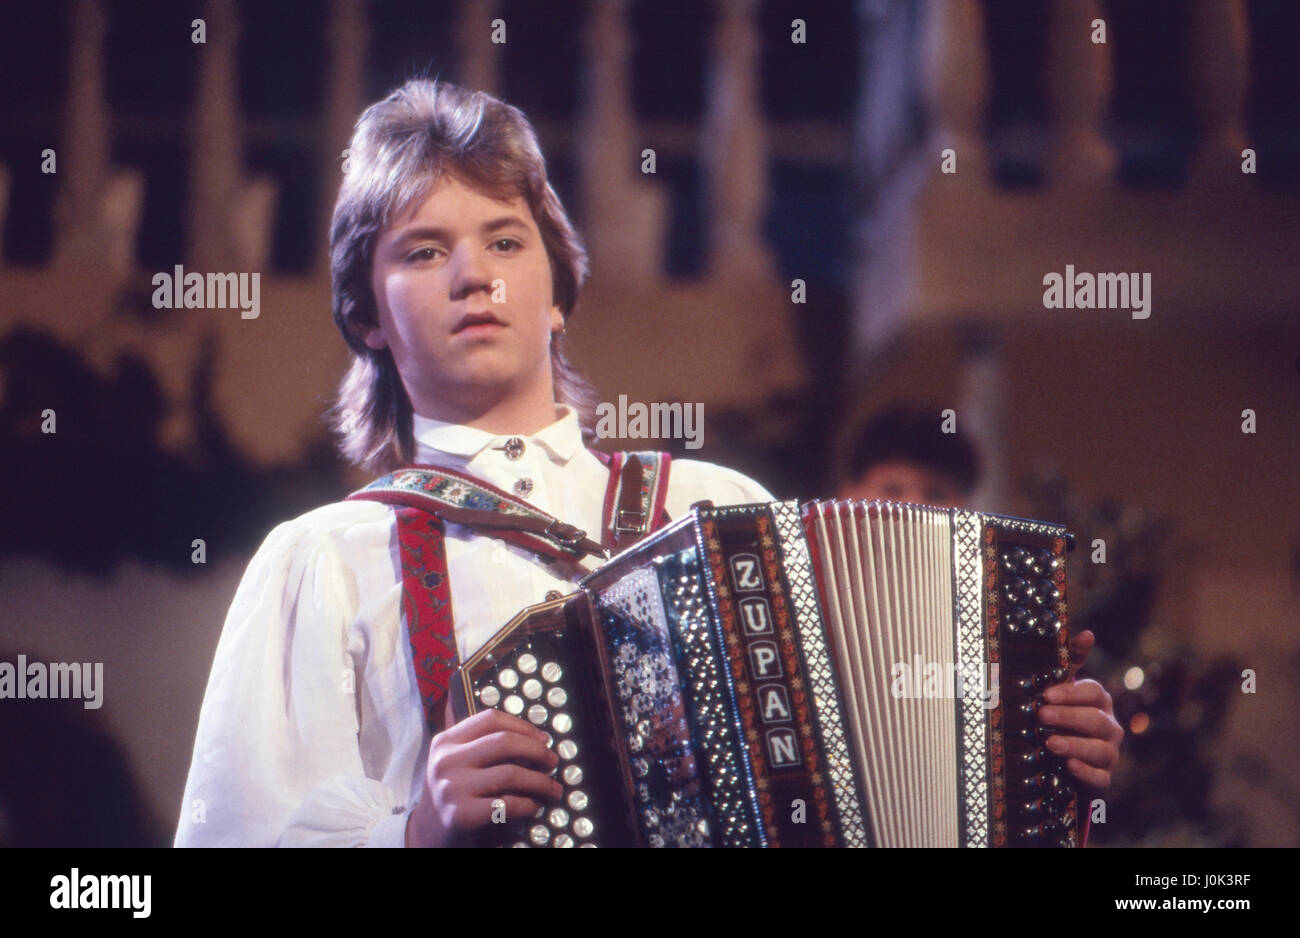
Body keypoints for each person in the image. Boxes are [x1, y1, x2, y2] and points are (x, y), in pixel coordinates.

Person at [174, 79, 772, 848]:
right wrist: (415, 833)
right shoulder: (323, 562)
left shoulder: (715, 509)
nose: (474, 276)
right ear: (368, 317)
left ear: (558, 291)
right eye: (425, 251)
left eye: (506, 242)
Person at [836, 403, 1124, 811]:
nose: (916, 509)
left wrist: (1083, 742)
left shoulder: (1009, 630)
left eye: (936, 494)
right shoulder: (802, 610)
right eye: (892, 490)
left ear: (968, 512)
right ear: (847, 499)